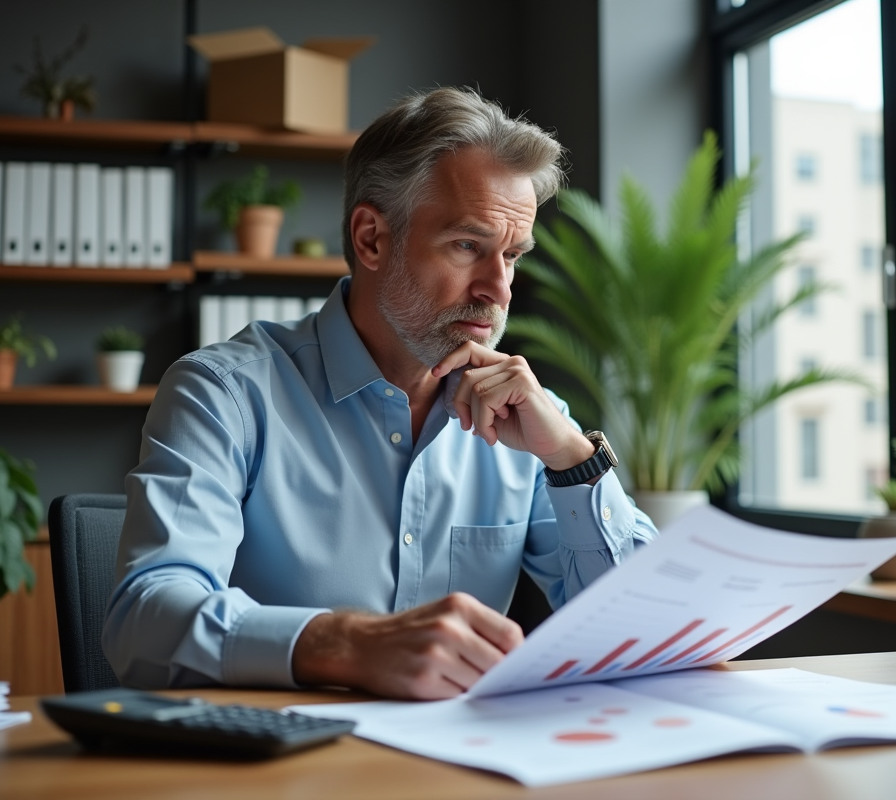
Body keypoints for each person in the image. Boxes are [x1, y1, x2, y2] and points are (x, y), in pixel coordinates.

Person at [102, 87, 658, 700]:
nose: (499, 288)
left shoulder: (530, 419)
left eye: (512, 255)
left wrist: (574, 463)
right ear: (370, 238)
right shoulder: (224, 394)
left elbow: (646, 628)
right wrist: (348, 644)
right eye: (467, 245)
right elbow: (144, 625)